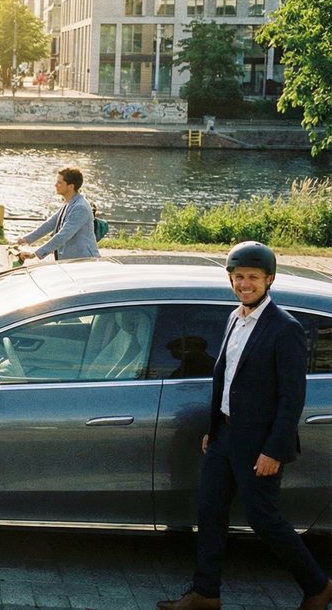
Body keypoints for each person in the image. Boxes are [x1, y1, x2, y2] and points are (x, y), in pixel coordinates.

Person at [158, 242, 332, 610]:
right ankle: (205, 594)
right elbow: (228, 378)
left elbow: (291, 398)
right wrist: (214, 427)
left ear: (269, 279)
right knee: (209, 512)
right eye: (239, 277)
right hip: (223, 436)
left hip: (259, 444)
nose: (245, 284)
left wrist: (275, 449)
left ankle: (318, 586)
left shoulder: (285, 329)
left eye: (253, 277)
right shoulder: (234, 318)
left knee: (264, 519)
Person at [12, 166, 100, 262]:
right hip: (72, 260)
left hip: (84, 261)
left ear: (71, 186)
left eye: (59, 183)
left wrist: (35, 254)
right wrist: (25, 239)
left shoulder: (80, 207)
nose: (55, 185)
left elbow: (63, 235)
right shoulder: (69, 202)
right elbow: (50, 224)